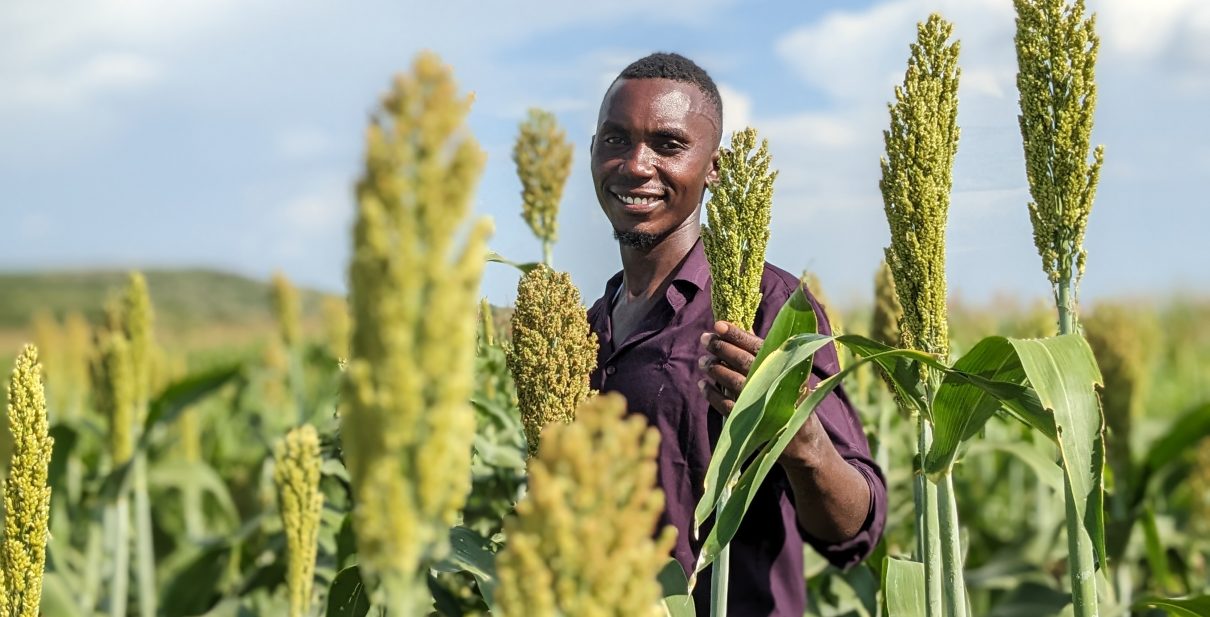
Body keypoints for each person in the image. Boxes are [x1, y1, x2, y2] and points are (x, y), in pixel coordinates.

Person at [585, 52, 887, 616]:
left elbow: (853, 529)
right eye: (616, 139)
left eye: (668, 145)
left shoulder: (771, 308)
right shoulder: (585, 328)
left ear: (714, 167)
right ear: (593, 150)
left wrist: (801, 440)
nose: (637, 164)